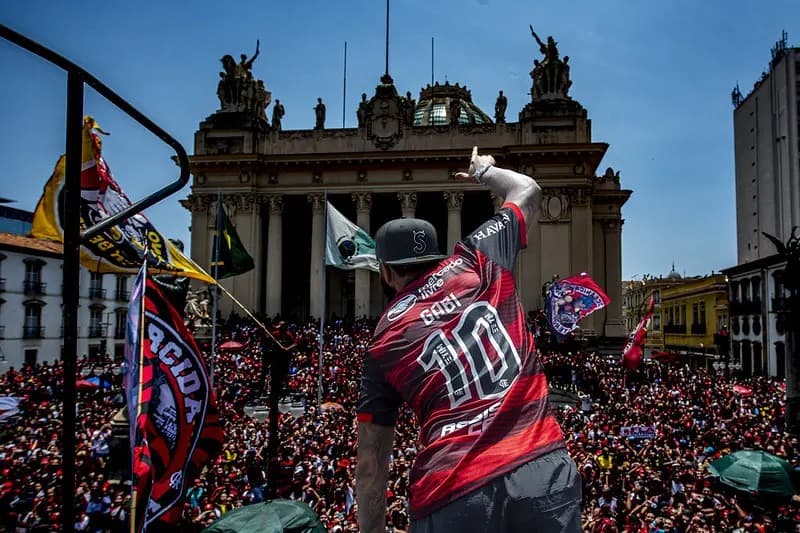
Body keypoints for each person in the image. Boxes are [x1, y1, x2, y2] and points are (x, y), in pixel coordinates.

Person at [356, 147, 581, 532]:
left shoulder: (383, 342)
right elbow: (527, 188)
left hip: (451, 491)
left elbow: (371, 463)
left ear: (386, 273)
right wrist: (483, 171)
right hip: (539, 468)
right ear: (434, 255)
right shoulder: (478, 256)